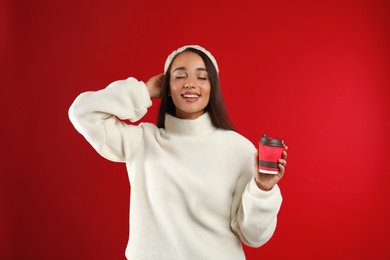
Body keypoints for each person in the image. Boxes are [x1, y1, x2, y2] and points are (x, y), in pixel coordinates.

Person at [68, 45, 288, 260]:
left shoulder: (238, 149)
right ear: (167, 87)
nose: (190, 84)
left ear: (213, 87)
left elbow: (254, 237)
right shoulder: (142, 141)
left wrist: (262, 189)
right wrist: (143, 91)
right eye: (180, 76)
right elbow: (83, 112)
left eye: (202, 77)